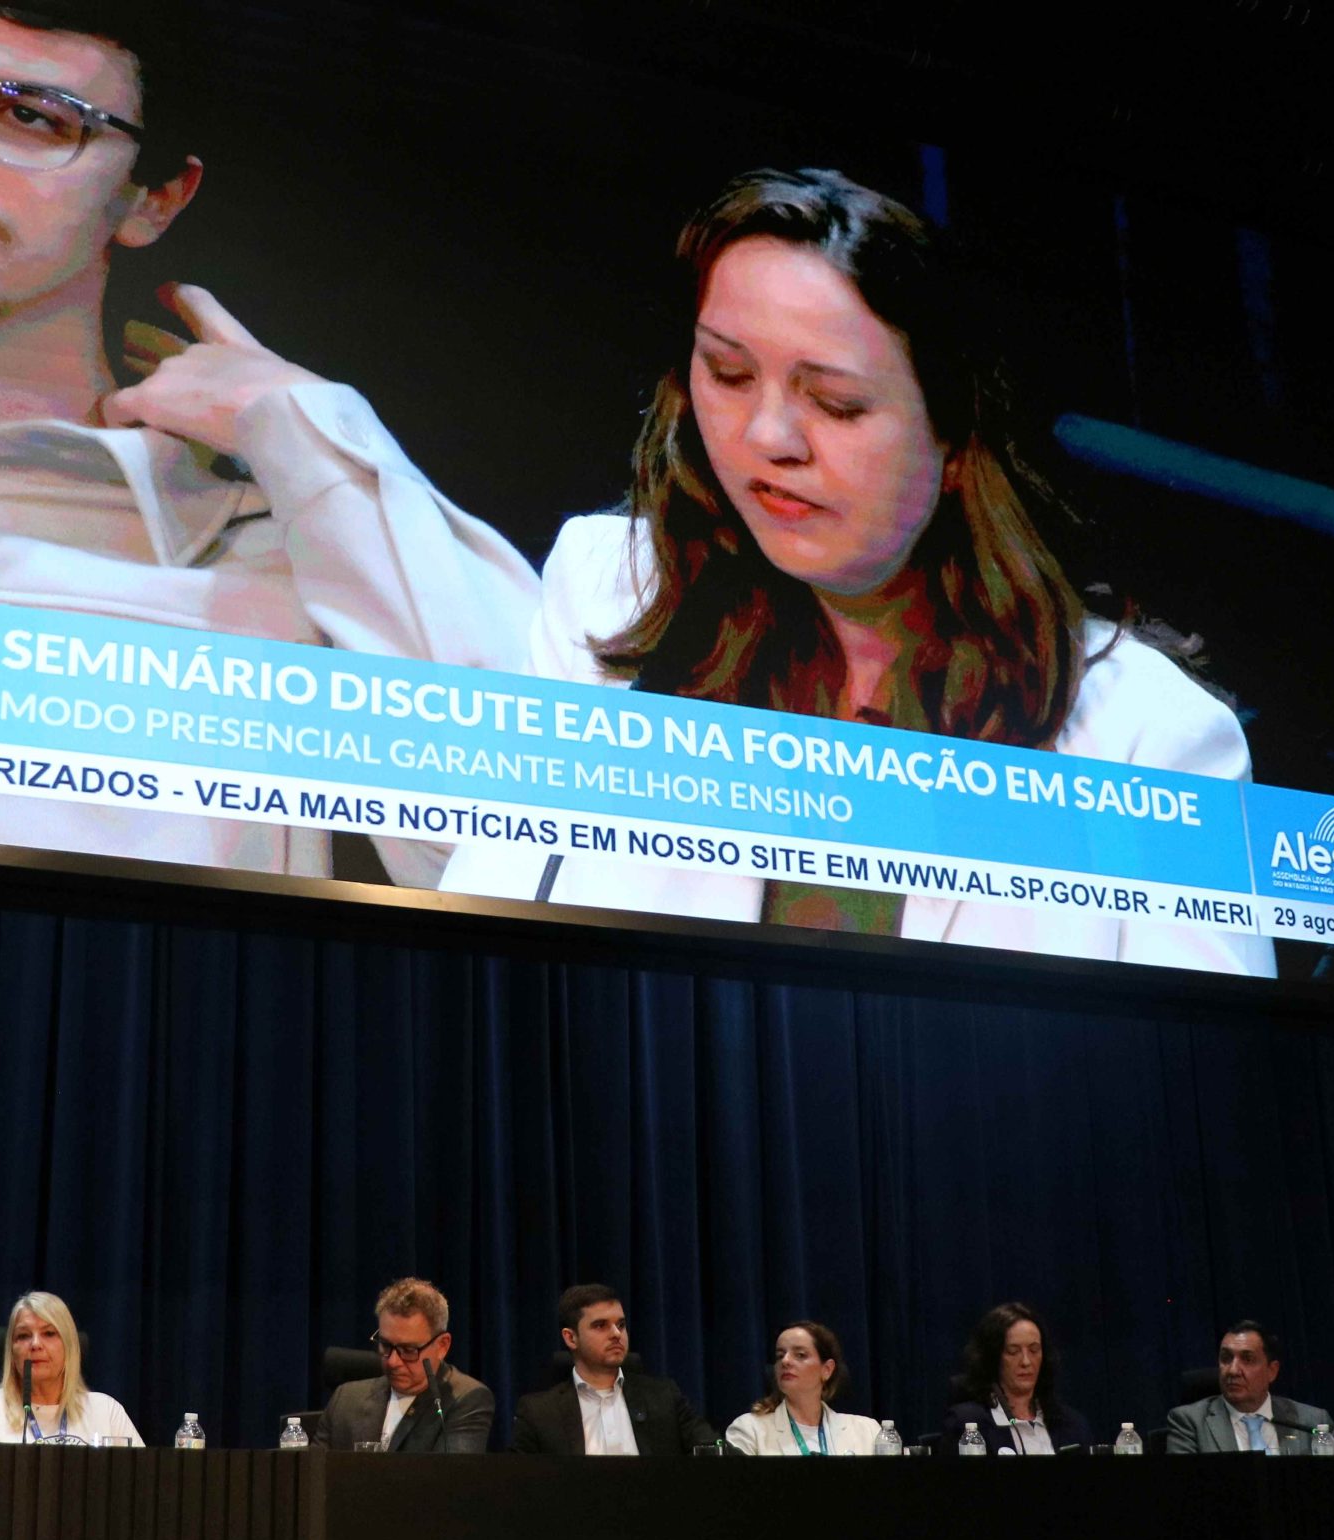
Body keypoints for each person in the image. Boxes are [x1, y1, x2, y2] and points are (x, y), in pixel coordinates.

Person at [440, 167, 1273, 977]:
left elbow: (1200, 1062)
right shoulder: (605, 591)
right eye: (728, 374)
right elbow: (480, 963)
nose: (768, 436)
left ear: (955, 438)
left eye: (835, 403)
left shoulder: (1153, 742)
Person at [0, 0, 542, 884]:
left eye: (32, 117)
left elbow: (530, 856)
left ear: (153, 199)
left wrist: (304, 429)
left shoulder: (285, 560)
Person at [509, 1284, 715, 1456]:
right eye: (600, 1326)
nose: (616, 1334)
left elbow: (713, 1452)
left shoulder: (664, 1398)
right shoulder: (538, 1413)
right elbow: (520, 1480)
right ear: (571, 1338)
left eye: (621, 1325)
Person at [314, 1276, 493, 1453]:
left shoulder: (465, 1399)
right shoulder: (345, 1399)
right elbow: (313, 1468)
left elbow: (449, 1471)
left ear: (442, 1345)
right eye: (386, 1345)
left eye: (408, 1350)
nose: (393, 1362)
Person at [0, 1291, 142, 1443]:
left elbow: (139, 1479)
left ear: (69, 1346)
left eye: (49, 1333)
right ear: (11, 1351)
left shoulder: (106, 1411)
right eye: (23, 1335)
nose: (35, 1344)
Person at [938, 1301, 1093, 1455]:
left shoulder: (1072, 1425)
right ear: (993, 1358)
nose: (1026, 1361)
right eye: (1013, 1351)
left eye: (1034, 1350)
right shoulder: (967, 1423)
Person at [1165, 1319, 1334, 1454]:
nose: (1233, 1370)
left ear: (1272, 1371)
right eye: (1226, 1358)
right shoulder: (1190, 1423)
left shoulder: (1312, 1422)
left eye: (1247, 1359)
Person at [722, 1320, 883, 1457]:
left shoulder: (867, 1431)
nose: (785, 1361)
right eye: (780, 1355)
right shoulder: (749, 1430)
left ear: (827, 1369)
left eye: (800, 1355)